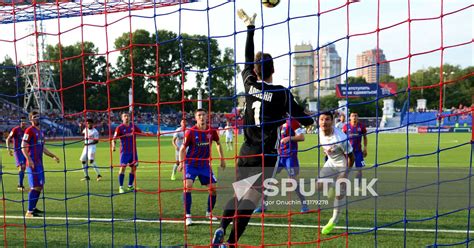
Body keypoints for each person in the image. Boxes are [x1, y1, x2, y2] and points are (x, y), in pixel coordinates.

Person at [212, 9, 314, 247]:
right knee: (250, 201)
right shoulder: (281, 93)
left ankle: (220, 226)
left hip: (246, 152)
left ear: (256, 71)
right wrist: (311, 121)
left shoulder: (249, 85)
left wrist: (250, 28)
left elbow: (247, 59)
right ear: (273, 70)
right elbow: (304, 118)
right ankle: (231, 243)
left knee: (238, 194)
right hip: (266, 155)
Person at [178, 108, 225, 226]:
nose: (202, 117)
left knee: (213, 189)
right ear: (195, 118)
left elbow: (218, 144)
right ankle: (188, 216)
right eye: (199, 115)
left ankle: (209, 213)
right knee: (187, 186)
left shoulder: (211, 131)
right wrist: (181, 162)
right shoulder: (191, 132)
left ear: (207, 116)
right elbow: (183, 148)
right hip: (191, 164)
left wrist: (222, 159)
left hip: (204, 165)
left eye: (203, 115)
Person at [253, 118, 309, 213]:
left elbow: (301, 137)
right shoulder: (277, 122)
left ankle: (304, 205)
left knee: (292, 181)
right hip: (279, 156)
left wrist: (289, 138)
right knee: (268, 179)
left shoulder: (292, 121)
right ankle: (263, 205)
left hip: (290, 156)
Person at [318, 111, 355, 235]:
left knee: (339, 194)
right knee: (319, 187)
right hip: (330, 162)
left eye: (327, 119)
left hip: (342, 165)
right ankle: (333, 185)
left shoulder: (341, 138)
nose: (324, 122)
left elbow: (351, 157)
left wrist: (344, 174)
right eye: (322, 119)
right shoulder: (319, 131)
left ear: (332, 121)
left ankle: (334, 219)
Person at [21, 111, 60, 217]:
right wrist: (29, 159)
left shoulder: (41, 132)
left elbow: (43, 148)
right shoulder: (29, 130)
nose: (37, 118)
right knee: (35, 186)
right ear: (30, 119)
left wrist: (53, 155)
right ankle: (29, 212)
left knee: (39, 186)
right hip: (32, 163)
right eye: (34, 117)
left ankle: (33, 208)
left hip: (39, 163)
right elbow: (23, 145)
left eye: (38, 116)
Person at [112, 113, 150, 193]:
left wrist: (147, 134)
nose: (127, 117)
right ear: (122, 118)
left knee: (134, 168)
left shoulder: (133, 126)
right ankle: (121, 187)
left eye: (128, 116)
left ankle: (130, 186)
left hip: (133, 152)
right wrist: (113, 146)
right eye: (125, 116)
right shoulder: (119, 128)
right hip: (124, 152)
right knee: (122, 168)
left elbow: (140, 132)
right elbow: (114, 138)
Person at [342, 112, 367, 189]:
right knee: (346, 169)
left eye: (356, 116)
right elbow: (342, 138)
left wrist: (365, 148)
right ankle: (343, 185)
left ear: (358, 117)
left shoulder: (362, 126)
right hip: (348, 152)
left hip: (358, 151)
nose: (354, 117)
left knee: (359, 170)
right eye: (353, 116)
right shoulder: (346, 126)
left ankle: (357, 186)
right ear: (350, 117)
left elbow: (365, 137)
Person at [6, 116, 28, 191]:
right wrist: (8, 149)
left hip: (25, 151)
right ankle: (20, 185)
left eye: (24, 121)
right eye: (22, 121)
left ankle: (20, 184)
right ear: (20, 122)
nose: (23, 123)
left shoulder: (27, 130)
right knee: (22, 166)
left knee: (24, 168)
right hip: (18, 151)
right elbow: (8, 139)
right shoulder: (15, 129)